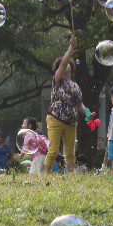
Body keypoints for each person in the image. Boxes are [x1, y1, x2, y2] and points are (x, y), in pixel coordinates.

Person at [44, 35, 87, 173]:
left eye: (68, 61)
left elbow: (79, 105)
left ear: (72, 67)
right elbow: (63, 64)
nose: (65, 63)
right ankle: (45, 174)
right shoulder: (57, 80)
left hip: (71, 121)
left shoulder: (75, 86)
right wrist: (71, 47)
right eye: (63, 62)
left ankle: (70, 175)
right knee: (53, 150)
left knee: (70, 152)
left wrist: (89, 114)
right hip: (55, 118)